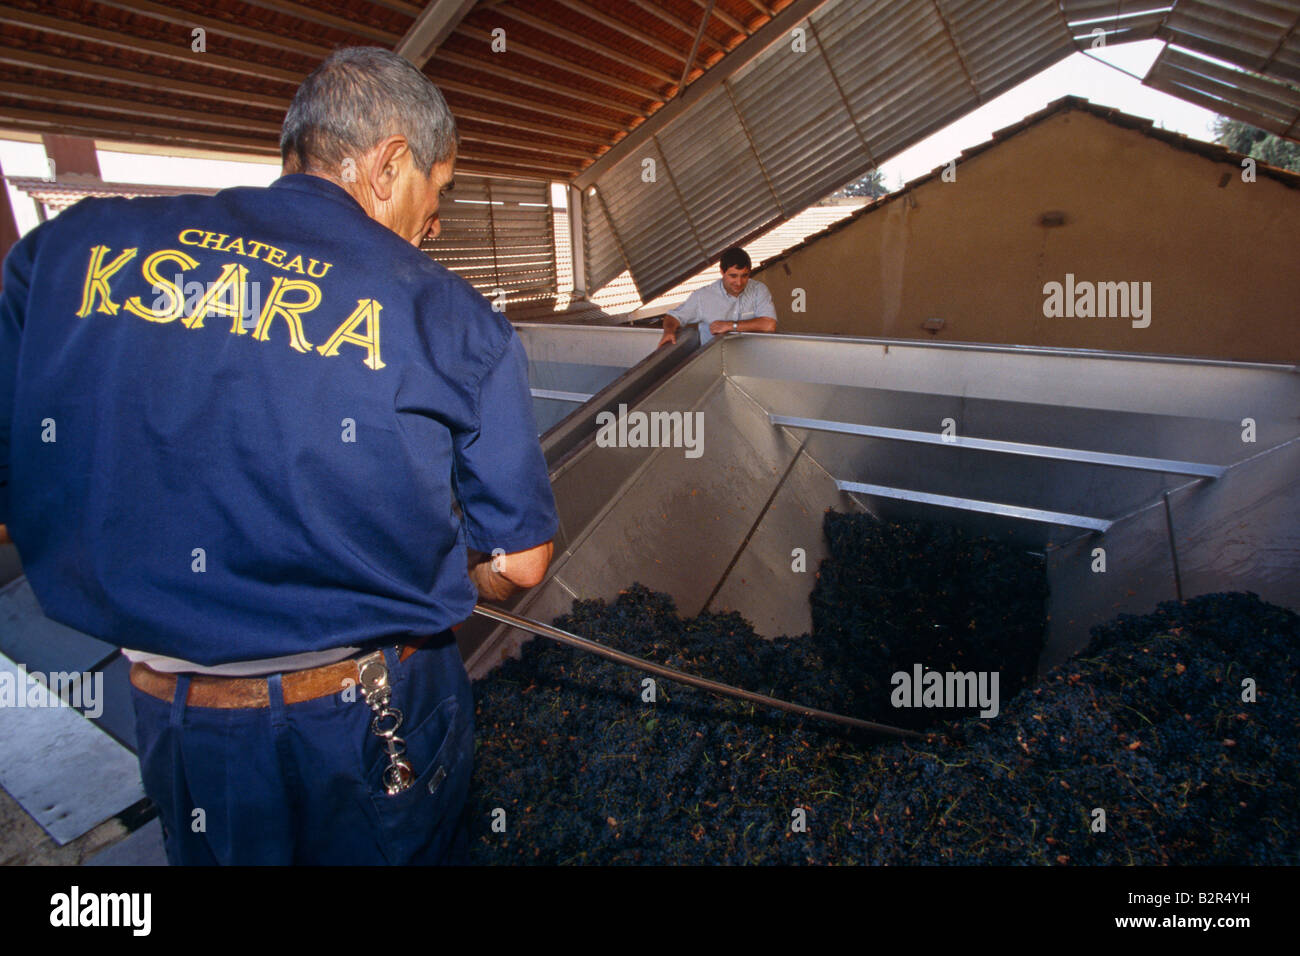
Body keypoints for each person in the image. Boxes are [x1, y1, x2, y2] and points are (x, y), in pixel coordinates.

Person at [0, 47, 558, 865]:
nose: (433, 224)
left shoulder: (69, 251)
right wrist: (462, 579)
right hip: (370, 719)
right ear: (388, 164)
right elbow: (526, 562)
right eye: (435, 192)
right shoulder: (449, 315)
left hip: (181, 725)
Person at [657, 246, 777, 349]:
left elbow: (769, 325)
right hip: (714, 363)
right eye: (733, 276)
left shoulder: (758, 290)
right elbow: (673, 316)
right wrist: (668, 331)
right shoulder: (703, 296)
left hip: (752, 358)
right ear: (722, 272)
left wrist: (731, 326)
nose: (739, 282)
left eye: (744, 276)